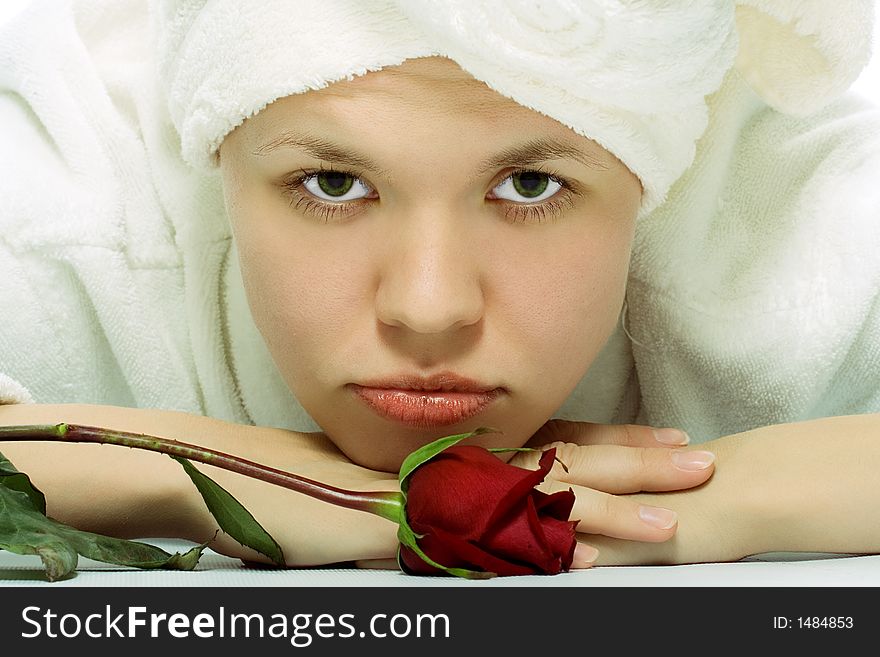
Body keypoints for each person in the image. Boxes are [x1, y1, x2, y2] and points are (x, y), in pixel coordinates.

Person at [1, 0, 878, 572]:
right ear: (222, 167)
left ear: (652, 187)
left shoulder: (786, 231)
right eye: (334, 184)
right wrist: (208, 473)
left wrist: (728, 494)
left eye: (529, 185)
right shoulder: (60, 221)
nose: (428, 308)